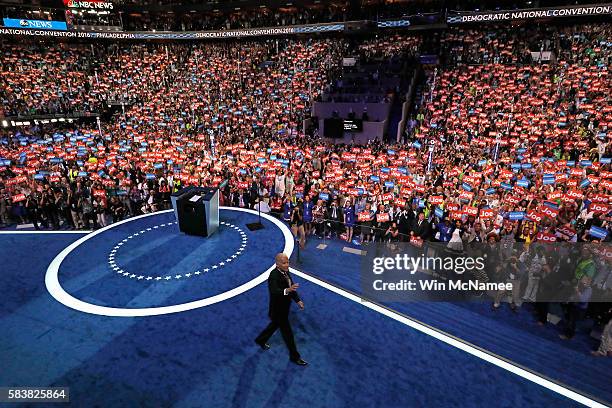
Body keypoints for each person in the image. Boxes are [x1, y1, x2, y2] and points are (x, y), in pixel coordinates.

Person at [255, 253, 307, 366]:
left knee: (273, 326)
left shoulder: (286, 272)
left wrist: (297, 300)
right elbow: (274, 291)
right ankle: (295, 357)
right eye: (284, 263)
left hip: (283, 308)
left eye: (287, 262)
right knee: (288, 334)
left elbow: (291, 287)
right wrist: (287, 290)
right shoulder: (273, 275)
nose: (287, 265)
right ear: (277, 264)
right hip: (278, 310)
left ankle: (260, 340)